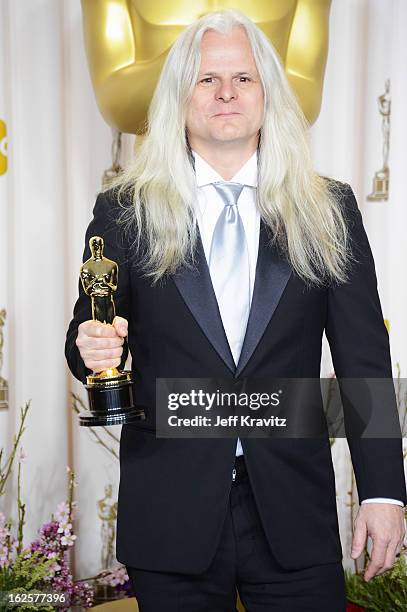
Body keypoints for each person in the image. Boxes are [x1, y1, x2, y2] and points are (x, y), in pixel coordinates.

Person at [66, 10, 406, 611]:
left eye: (244, 79)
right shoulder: (124, 211)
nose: (226, 93)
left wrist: (384, 493)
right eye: (207, 79)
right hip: (171, 515)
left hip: (293, 516)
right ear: (180, 97)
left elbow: (365, 363)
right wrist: (88, 348)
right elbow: (88, 334)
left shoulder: (329, 208)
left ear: (268, 94)